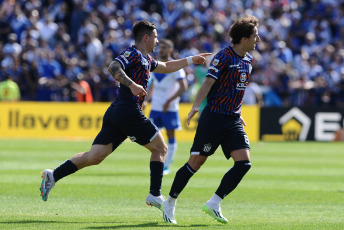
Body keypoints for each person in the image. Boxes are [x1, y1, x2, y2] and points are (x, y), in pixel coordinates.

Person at [39, 20, 210, 213]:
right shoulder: (133, 53)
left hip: (118, 112)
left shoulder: (146, 59)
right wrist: (132, 85)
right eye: (155, 37)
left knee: (94, 157)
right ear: (146, 37)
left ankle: (53, 176)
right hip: (128, 111)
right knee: (161, 148)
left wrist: (190, 59)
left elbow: (167, 66)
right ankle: (155, 194)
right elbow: (113, 67)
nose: (157, 41)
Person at [162, 15, 260, 224]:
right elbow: (207, 83)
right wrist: (196, 106)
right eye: (255, 36)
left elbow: (236, 89)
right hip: (214, 117)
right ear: (243, 38)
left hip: (233, 119)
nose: (257, 40)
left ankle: (214, 203)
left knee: (244, 163)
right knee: (195, 164)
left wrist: (239, 111)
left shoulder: (248, 60)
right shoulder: (223, 57)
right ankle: (170, 201)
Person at [144, 39, 188, 175]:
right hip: (156, 106)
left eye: (163, 47)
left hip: (170, 108)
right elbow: (151, 85)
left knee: (170, 136)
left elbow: (183, 87)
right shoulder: (155, 65)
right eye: (160, 47)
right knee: (151, 135)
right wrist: (146, 100)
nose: (160, 49)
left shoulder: (175, 67)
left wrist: (169, 101)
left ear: (169, 50)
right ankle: (159, 160)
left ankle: (167, 165)